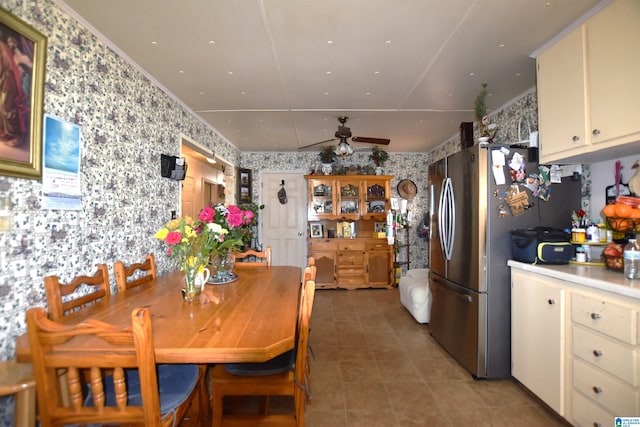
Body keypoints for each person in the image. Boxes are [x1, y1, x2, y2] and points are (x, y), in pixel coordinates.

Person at [0, 35, 28, 147]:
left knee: (6, 106)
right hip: (4, 79)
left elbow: (6, 66)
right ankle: (7, 132)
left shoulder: (3, 48)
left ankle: (13, 134)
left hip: (8, 80)